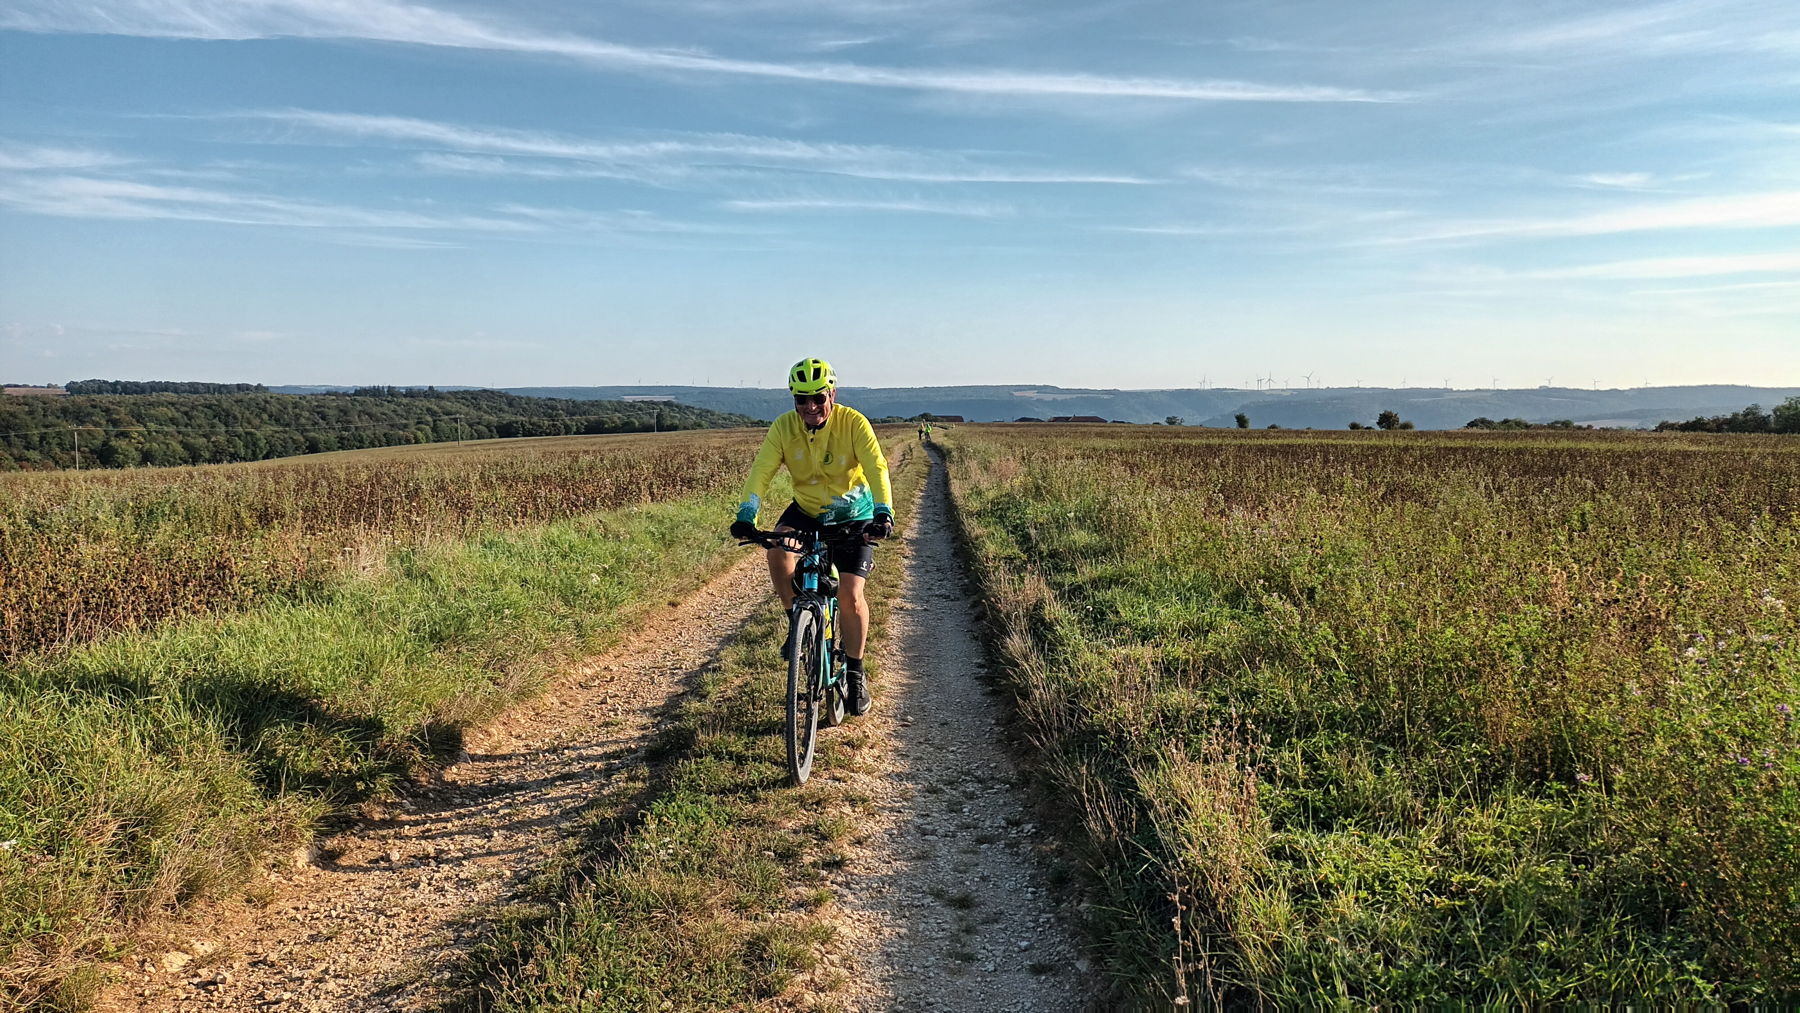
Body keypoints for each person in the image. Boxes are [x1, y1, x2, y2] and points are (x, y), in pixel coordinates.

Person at [730, 358, 893, 715]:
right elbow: (762, 471)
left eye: (818, 398)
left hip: (855, 516)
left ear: (832, 393)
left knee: (850, 596)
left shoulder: (853, 424)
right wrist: (747, 514)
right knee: (777, 551)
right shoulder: (784, 428)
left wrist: (884, 512)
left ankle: (855, 673)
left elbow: (876, 467)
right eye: (801, 400)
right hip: (806, 511)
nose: (810, 407)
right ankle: (796, 623)